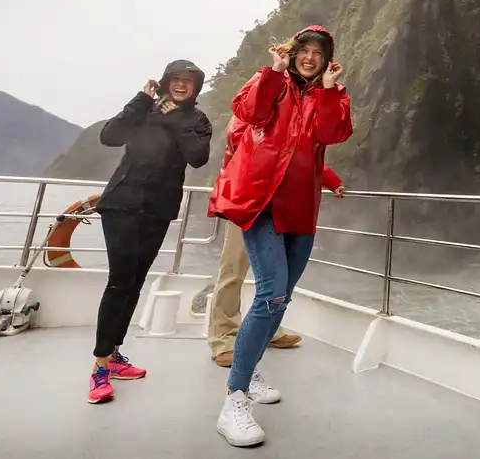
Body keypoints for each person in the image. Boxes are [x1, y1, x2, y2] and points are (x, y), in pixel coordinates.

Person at [207, 25, 352, 447]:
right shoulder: (272, 84)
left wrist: (328, 90)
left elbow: (332, 134)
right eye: (303, 50)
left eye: (318, 53)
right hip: (262, 203)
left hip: (301, 209)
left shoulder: (331, 93)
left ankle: (249, 371)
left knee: (281, 297)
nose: (310, 57)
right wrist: (272, 72)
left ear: (327, 60)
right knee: (271, 294)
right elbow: (248, 113)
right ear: (292, 54)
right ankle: (234, 400)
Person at [88, 60, 213, 405]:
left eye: (189, 81)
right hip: (122, 204)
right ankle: (100, 367)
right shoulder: (144, 109)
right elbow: (110, 135)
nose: (182, 85)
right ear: (165, 82)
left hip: (158, 210)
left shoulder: (197, 120)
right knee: (120, 280)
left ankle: (113, 355)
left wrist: (175, 120)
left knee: (136, 280)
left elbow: (198, 157)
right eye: (176, 79)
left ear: (196, 87)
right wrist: (140, 101)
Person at [207, 113, 347, 367]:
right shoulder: (251, 110)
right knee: (233, 271)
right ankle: (223, 339)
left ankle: (268, 330)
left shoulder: (291, 111)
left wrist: (331, 181)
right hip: (247, 204)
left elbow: (299, 155)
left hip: (279, 208)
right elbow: (241, 142)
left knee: (274, 278)